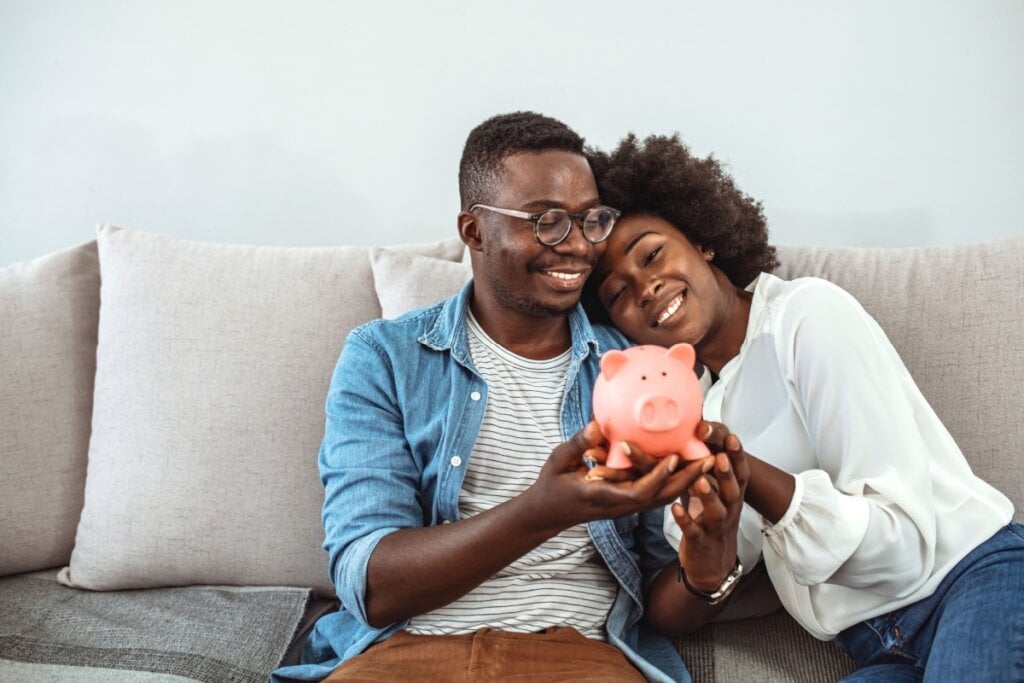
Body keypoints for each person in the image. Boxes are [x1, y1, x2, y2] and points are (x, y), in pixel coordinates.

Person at [272, 113, 738, 683]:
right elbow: (370, 584)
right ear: (474, 231)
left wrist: (705, 569)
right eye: (546, 221)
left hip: (580, 660)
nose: (577, 247)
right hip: (405, 656)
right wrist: (540, 513)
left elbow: (664, 600)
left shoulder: (634, 370)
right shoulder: (386, 358)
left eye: (589, 220)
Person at [582, 132, 1024, 681]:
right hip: (877, 648)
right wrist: (704, 551)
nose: (644, 287)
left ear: (703, 241)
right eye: (617, 294)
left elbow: (904, 548)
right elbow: (687, 599)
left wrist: (738, 464)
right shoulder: (695, 404)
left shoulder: (806, 317)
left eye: (651, 254)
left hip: (975, 580)